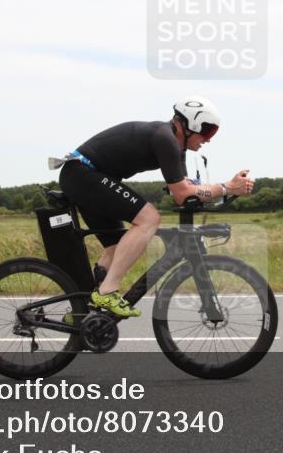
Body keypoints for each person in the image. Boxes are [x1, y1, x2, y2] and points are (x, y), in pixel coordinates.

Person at [56, 96, 254, 318]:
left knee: (116, 246)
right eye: (207, 131)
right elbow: (182, 193)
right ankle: (107, 292)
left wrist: (229, 188)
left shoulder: (177, 147)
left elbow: (184, 189)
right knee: (149, 218)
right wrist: (226, 187)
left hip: (86, 175)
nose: (208, 139)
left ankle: (83, 313)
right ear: (191, 125)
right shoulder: (165, 138)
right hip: (82, 174)